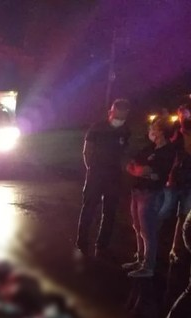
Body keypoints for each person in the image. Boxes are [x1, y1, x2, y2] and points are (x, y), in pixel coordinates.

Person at [75, 98, 131, 258]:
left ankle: (102, 244)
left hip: (114, 176)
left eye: (123, 116)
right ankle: (82, 241)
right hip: (96, 174)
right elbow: (87, 150)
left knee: (110, 211)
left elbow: (124, 152)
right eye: (117, 115)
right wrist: (91, 169)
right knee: (89, 208)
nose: (119, 119)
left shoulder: (125, 130)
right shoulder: (97, 128)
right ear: (110, 112)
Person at [122, 118, 175, 278]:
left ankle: (148, 267)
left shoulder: (167, 151)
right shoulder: (150, 147)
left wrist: (140, 170)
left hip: (150, 194)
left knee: (147, 231)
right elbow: (132, 164)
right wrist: (139, 170)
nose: (150, 131)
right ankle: (140, 259)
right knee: (137, 228)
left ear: (161, 132)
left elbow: (147, 170)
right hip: (137, 191)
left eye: (154, 128)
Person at [158, 104, 191, 263]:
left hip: (188, 182)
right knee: (163, 213)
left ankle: (175, 249)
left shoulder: (185, 132)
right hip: (174, 179)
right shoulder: (175, 132)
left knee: (183, 215)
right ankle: (150, 247)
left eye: (186, 114)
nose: (184, 116)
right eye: (182, 114)